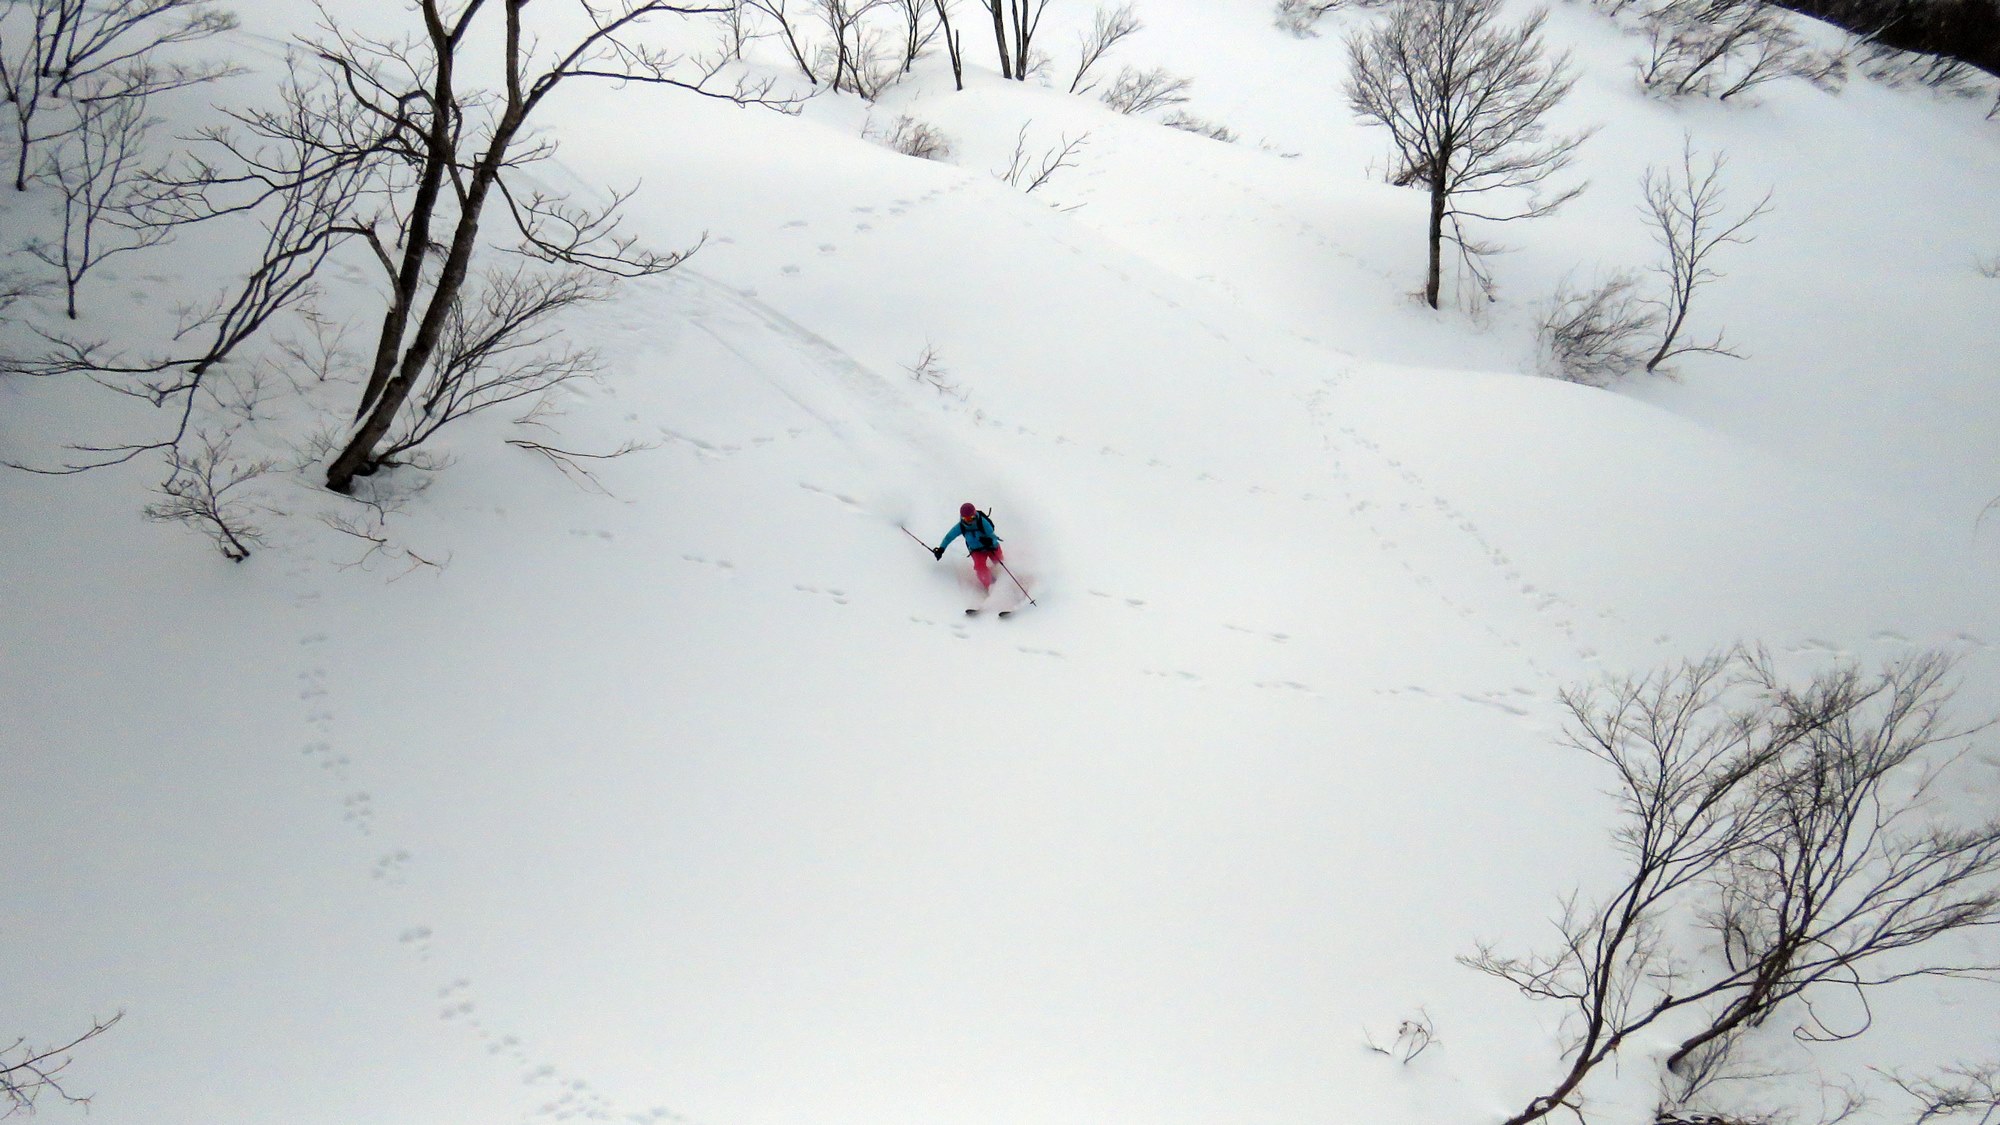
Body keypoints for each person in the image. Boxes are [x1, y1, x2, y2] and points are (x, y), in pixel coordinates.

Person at [933, 502, 1004, 590]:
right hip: (976, 551)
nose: (969, 521)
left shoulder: (983, 523)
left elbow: (993, 536)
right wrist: (941, 549)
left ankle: (1005, 579)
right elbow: (949, 537)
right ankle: (991, 586)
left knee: (1000, 563)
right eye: (966, 519)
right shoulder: (961, 526)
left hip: (991, 548)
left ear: (975, 514)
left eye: (971, 518)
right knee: (979, 567)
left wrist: (989, 541)